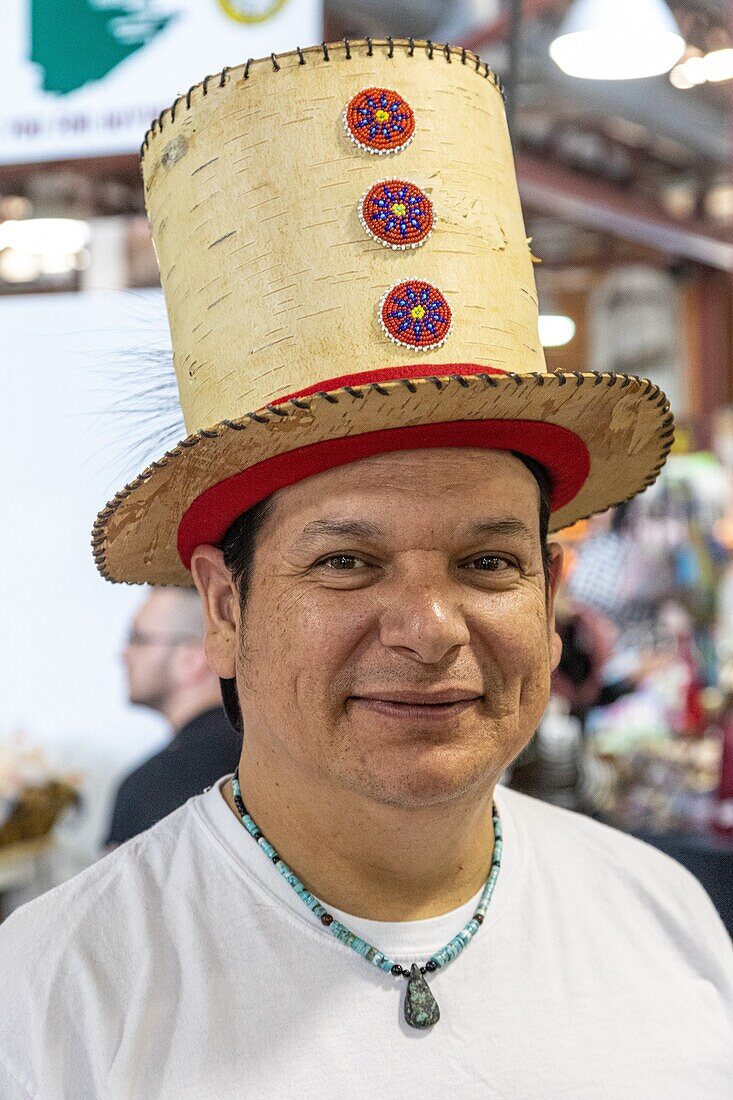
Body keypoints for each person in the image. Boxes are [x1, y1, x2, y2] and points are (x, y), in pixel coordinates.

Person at [1, 40, 731, 1098]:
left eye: (487, 560)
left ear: (550, 596)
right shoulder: (57, 997)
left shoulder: (666, 918)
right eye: (346, 561)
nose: (430, 625)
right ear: (223, 607)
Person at [104, 587, 241, 852]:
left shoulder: (147, 787)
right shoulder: (266, 757)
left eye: (138, 639)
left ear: (192, 658)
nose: (123, 655)